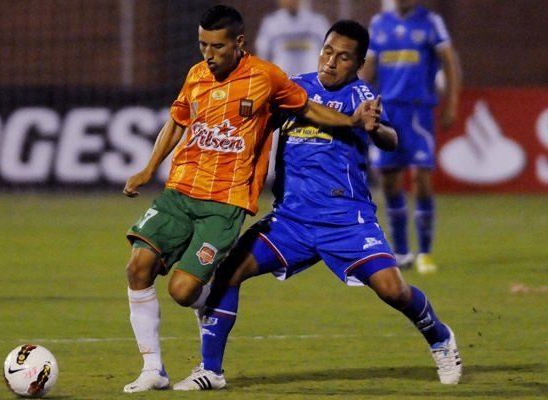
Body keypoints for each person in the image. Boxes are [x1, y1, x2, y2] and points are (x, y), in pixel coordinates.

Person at [173, 19, 462, 391]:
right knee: (228, 272)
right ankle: (210, 370)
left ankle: (439, 337)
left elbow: (391, 140)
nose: (331, 61)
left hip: (346, 220)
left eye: (343, 58)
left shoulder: (361, 98)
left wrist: (375, 129)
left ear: (358, 65)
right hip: (290, 220)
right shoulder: (293, 90)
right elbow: (255, 122)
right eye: (328, 51)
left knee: (393, 290)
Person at [121, 5, 379, 393]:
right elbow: (177, 120)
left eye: (217, 46)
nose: (208, 54)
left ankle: (212, 305)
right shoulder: (196, 75)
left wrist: (352, 121)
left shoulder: (266, 77)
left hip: (225, 201)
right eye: (202, 45)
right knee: (137, 267)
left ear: (239, 43)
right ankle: (153, 369)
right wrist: (147, 168)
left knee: (182, 291)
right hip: (180, 190)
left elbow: (306, 107)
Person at [360, 0, 461, 274]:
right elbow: (368, 69)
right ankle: (402, 252)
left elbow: (448, 61)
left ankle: (425, 252)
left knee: (422, 179)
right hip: (387, 113)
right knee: (390, 182)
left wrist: (451, 102)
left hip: (419, 114)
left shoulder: (430, 22)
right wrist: (356, 99)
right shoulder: (380, 24)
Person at [255, 0, 330, 76]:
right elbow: (263, 55)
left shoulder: (317, 21)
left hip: (311, 81)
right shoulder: (271, 23)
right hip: (283, 81)